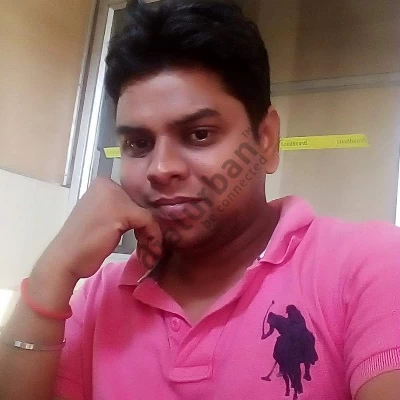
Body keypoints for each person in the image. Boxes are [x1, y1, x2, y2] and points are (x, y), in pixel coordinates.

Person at [0, 0, 399, 399]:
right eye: (138, 144)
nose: (161, 168)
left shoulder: (368, 267)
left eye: (199, 135)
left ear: (265, 140)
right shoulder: (99, 298)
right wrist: (54, 271)